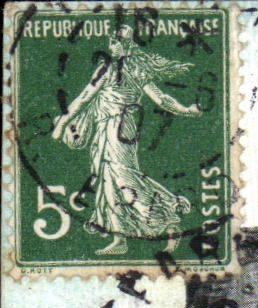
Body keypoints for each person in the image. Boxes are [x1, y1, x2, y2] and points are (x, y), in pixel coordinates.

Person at [49, 25, 202, 255]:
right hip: (115, 129)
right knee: (109, 180)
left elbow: (84, 98)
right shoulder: (130, 69)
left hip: (116, 129)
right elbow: (161, 99)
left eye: (115, 42)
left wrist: (61, 124)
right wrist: (187, 110)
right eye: (111, 41)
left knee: (123, 179)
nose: (111, 46)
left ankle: (169, 220)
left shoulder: (112, 69)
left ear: (126, 44)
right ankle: (120, 239)